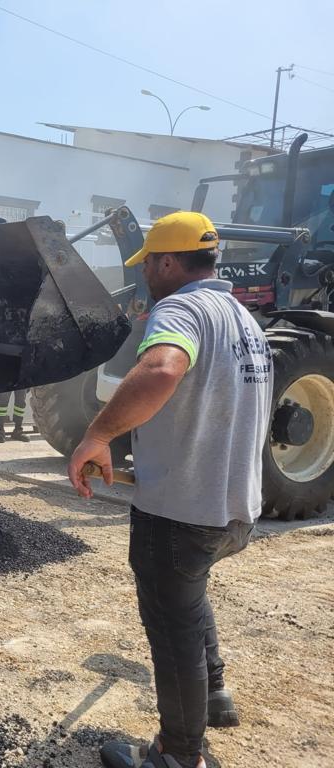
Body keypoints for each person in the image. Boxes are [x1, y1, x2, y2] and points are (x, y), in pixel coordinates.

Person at [67, 212, 272, 768]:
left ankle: (180, 754)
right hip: (234, 509)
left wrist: (98, 434)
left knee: (171, 623)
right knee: (190, 594)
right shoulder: (242, 318)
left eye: (148, 268)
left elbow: (161, 370)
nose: (145, 280)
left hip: (180, 511)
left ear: (165, 262)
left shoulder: (179, 309)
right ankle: (213, 693)